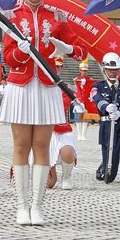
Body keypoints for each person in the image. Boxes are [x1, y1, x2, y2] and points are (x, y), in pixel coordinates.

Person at [0, 0, 87, 226]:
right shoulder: (12, 17)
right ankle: (21, 205)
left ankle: (37, 205)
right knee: (21, 145)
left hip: (48, 86)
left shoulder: (57, 18)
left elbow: (80, 50)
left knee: (42, 146)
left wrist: (67, 48)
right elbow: (8, 58)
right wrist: (21, 51)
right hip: (21, 86)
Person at [93, 52, 120, 186]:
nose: (113, 72)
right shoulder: (98, 87)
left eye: (115, 69)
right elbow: (97, 99)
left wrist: (119, 112)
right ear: (104, 70)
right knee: (109, 176)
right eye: (110, 70)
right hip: (106, 127)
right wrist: (106, 107)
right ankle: (104, 165)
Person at [47, 58, 78, 191]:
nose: (55, 69)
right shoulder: (39, 87)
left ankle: (66, 176)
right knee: (50, 183)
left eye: (58, 66)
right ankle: (49, 170)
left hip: (62, 129)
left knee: (68, 151)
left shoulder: (66, 88)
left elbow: (64, 105)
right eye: (53, 66)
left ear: (61, 68)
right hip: (45, 130)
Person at [73, 58, 94, 141]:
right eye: (83, 70)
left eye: (86, 71)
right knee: (79, 117)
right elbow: (75, 89)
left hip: (87, 100)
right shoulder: (76, 79)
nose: (84, 72)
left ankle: (83, 135)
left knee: (86, 117)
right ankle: (79, 134)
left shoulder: (90, 80)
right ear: (80, 70)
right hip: (79, 99)